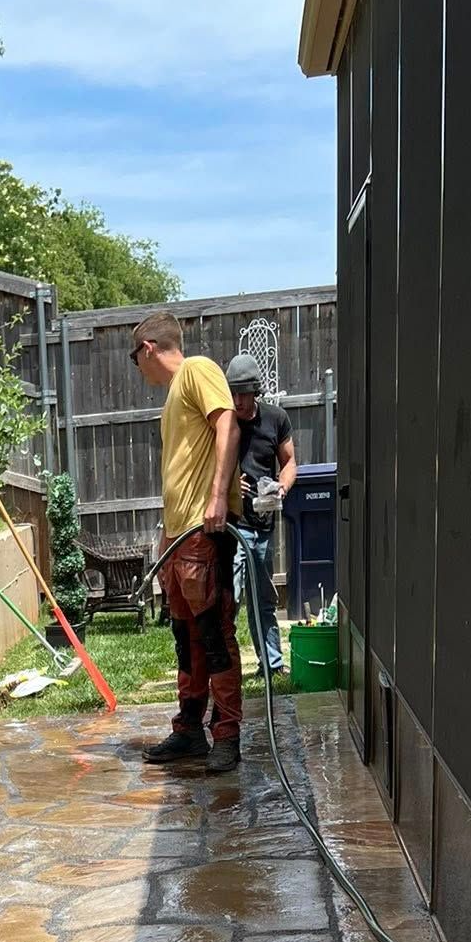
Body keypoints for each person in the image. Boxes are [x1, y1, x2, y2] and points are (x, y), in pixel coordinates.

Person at [131, 311, 243, 773]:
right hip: (179, 537)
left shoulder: (198, 370)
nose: (137, 366)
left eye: (135, 356)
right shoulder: (174, 396)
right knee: (186, 637)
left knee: (213, 634)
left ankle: (227, 735)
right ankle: (190, 731)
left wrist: (218, 497)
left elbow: (228, 424)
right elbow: (180, 471)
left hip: (203, 531)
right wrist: (166, 535)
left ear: (149, 348)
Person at [226, 352, 296, 678]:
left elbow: (289, 462)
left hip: (264, 522)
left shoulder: (275, 419)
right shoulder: (223, 421)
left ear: (255, 391)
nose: (238, 400)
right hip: (233, 524)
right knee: (230, 596)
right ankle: (223, 669)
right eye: (233, 393)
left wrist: (281, 487)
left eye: (243, 393)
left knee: (263, 597)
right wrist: (228, 482)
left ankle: (271, 665)